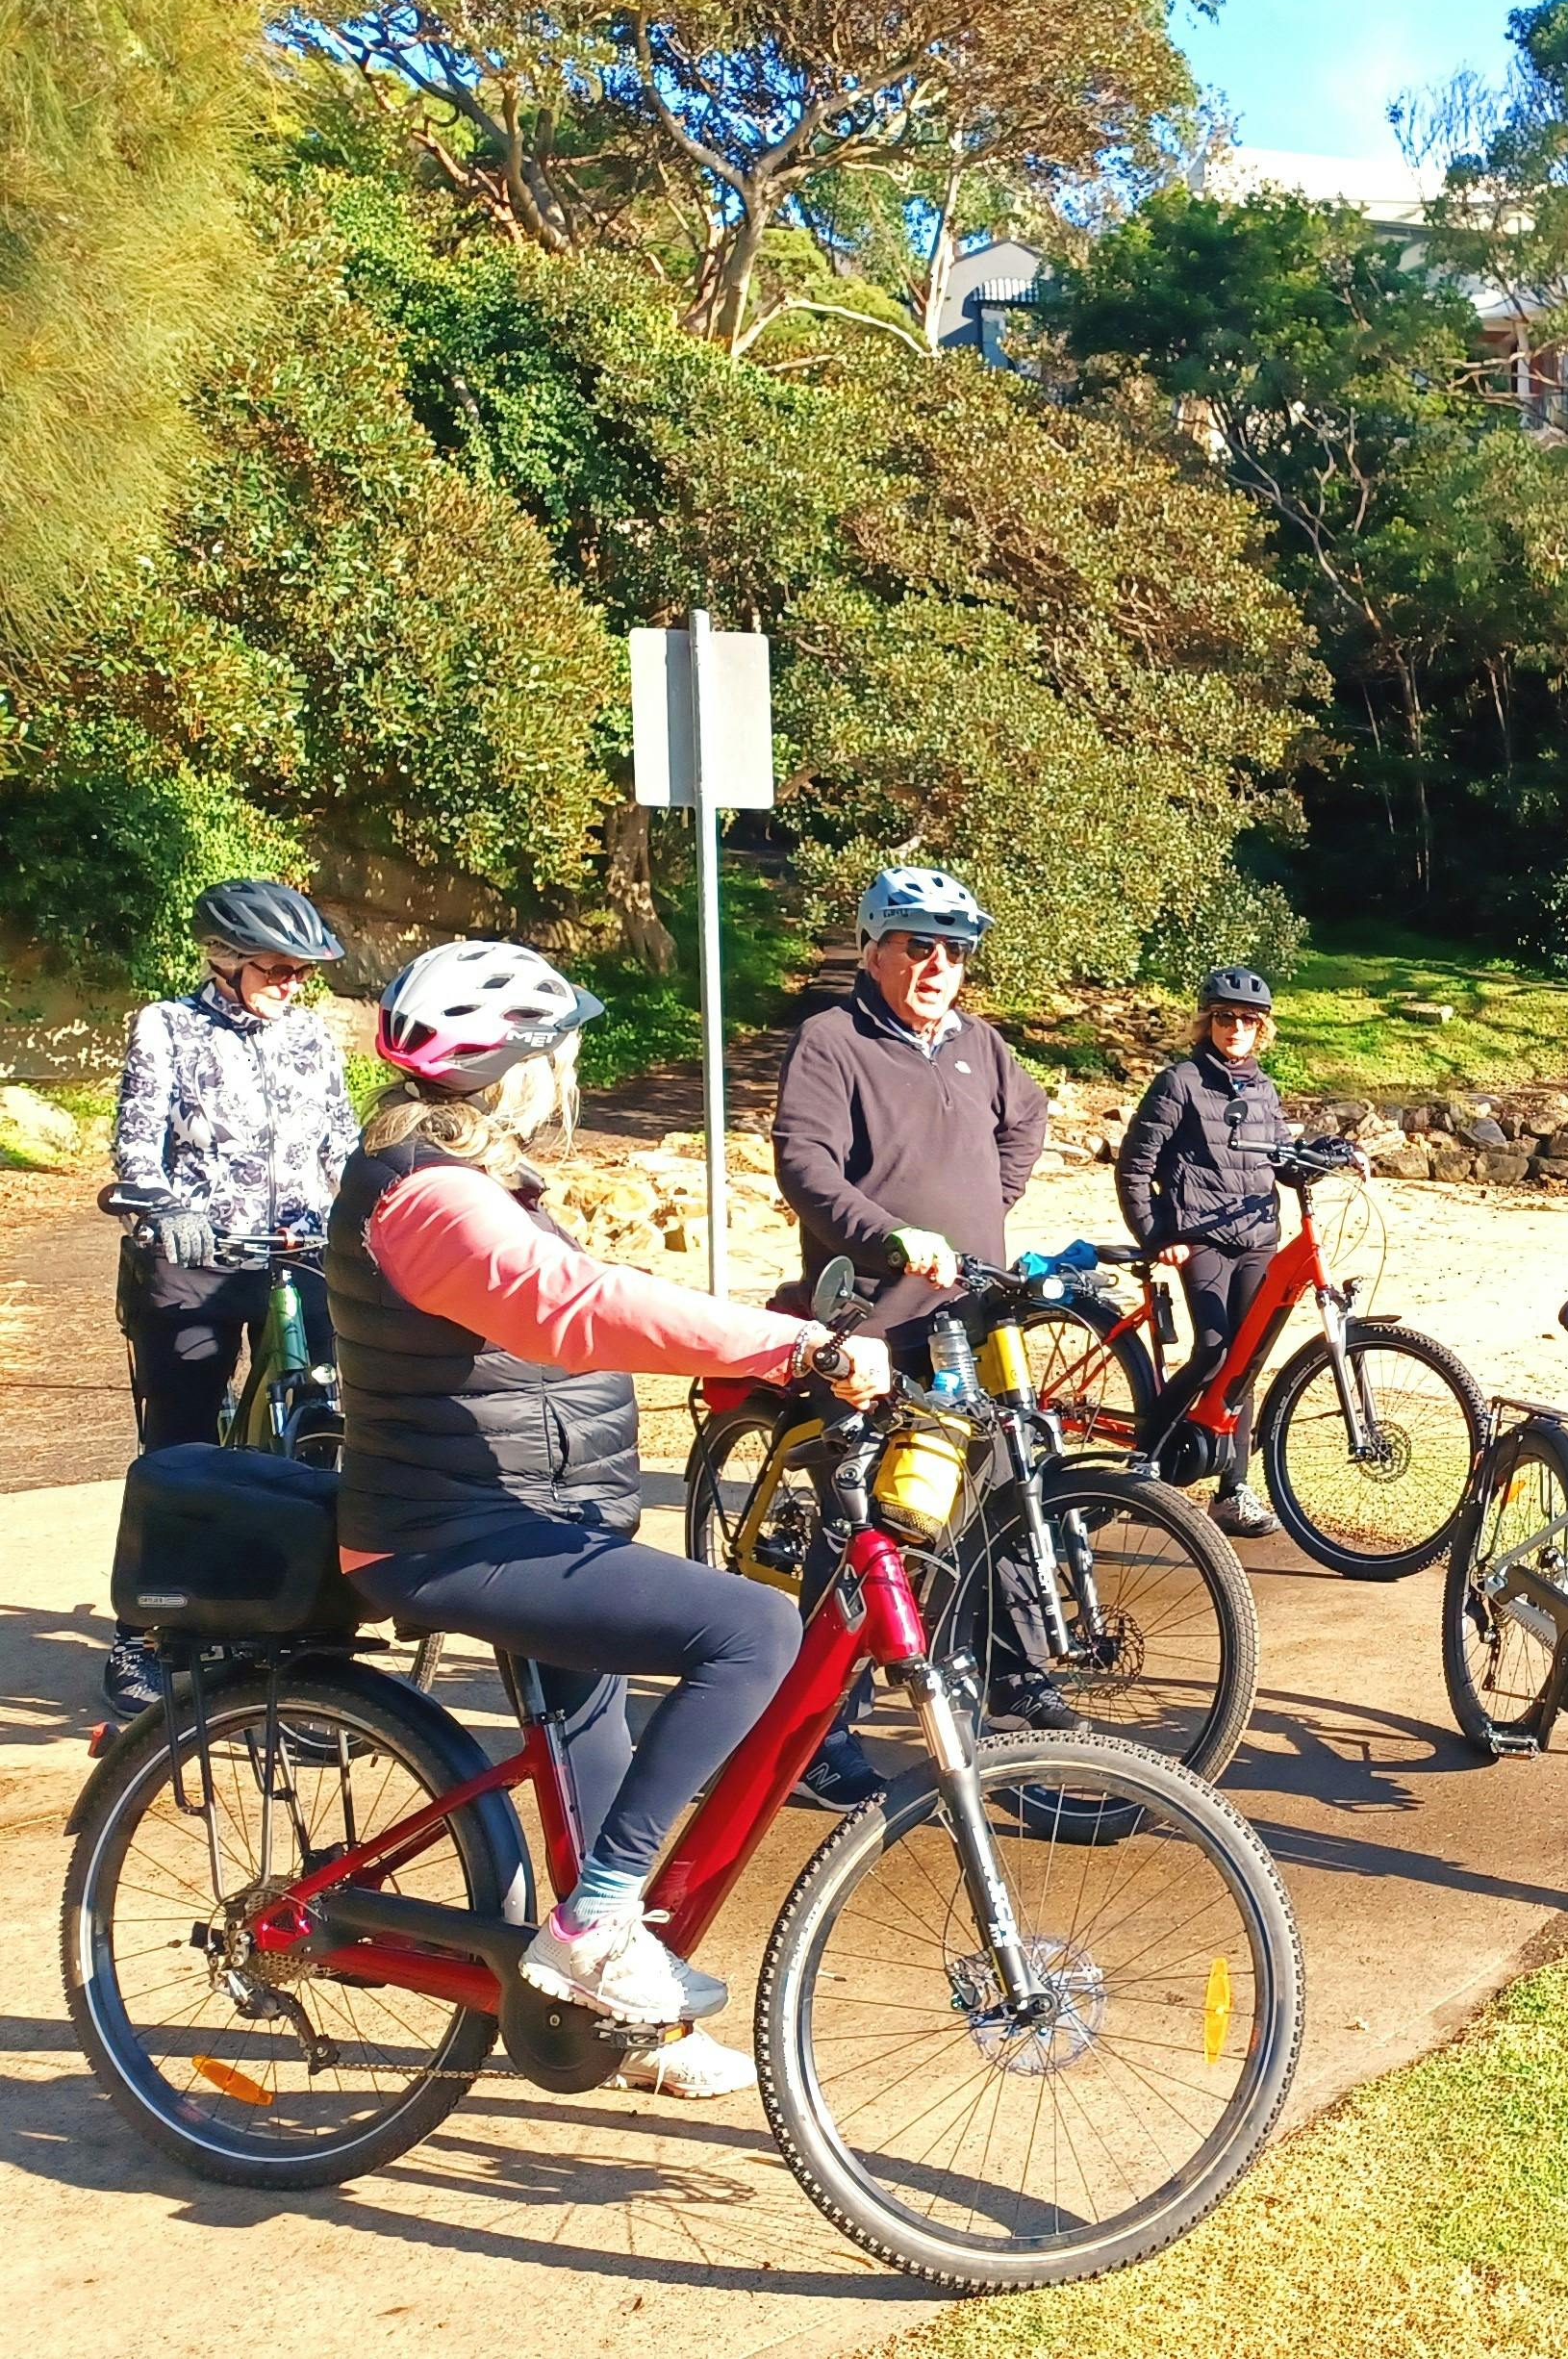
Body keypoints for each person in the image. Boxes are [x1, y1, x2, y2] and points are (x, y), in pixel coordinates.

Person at [331, 939, 893, 2101]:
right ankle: (592, 1927)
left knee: (605, 1763)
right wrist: (791, 1342)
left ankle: (628, 1998)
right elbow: (569, 1311)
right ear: (515, 1071)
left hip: (526, 1517)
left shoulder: (461, 1175)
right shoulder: (433, 1197)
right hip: (453, 1535)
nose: (569, 1080)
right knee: (749, 1632)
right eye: (561, 1057)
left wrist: (756, 1355)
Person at [771, 865, 1069, 1803]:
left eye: (953, 949)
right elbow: (803, 1160)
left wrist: (988, 1208)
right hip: (867, 1313)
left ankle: (1018, 1676)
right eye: (918, 944)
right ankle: (818, 1732)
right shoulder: (831, 1040)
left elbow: (1026, 1121)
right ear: (875, 947)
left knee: (994, 1488)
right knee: (867, 1517)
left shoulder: (979, 1043)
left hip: (967, 1311)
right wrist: (890, 1233)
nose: (938, 964)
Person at [99, 879, 356, 1718]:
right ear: (227, 961)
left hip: (300, 1252)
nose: (293, 986)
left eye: (301, 973)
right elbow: (136, 1145)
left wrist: (375, 1207)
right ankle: (141, 1631)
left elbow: (344, 1146)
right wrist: (163, 1207)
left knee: (323, 1412)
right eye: (278, 970)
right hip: (197, 1257)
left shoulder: (314, 1035)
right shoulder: (167, 1028)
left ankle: (298, 1608)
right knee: (176, 1439)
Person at [1114, 965, 1287, 1539]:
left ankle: (1233, 1491)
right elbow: (1135, 1167)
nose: (1235, 1027)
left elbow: (1279, 1156)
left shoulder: (1262, 1087)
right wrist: (1159, 1236)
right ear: (1206, 1022)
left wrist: (1329, 1151)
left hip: (1257, 1237)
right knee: (1215, 1352)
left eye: (1246, 1019)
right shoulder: (1179, 1082)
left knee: (1249, 1362)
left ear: (1261, 1028)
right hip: (1201, 1239)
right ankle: (1144, 1463)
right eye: (1224, 1017)